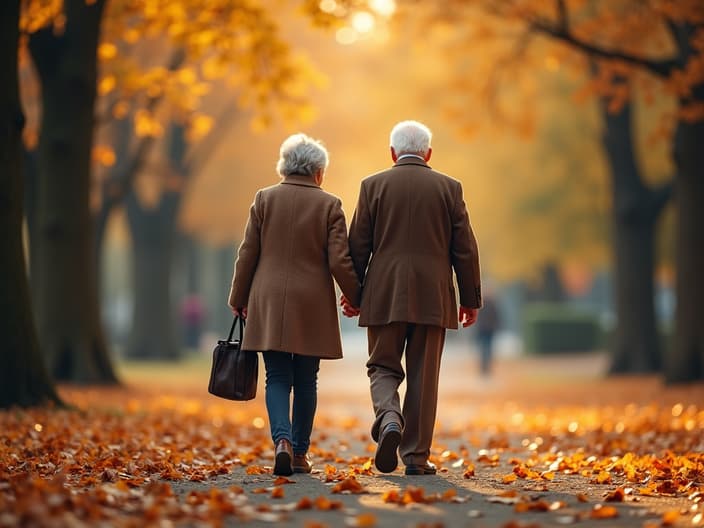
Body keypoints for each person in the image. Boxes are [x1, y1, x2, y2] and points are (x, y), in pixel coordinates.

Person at [342, 120, 481, 475]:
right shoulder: (450, 188)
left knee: (382, 365)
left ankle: (389, 417)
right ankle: (416, 458)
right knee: (424, 376)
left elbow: (358, 246)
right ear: (428, 153)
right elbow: (464, 248)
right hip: (433, 295)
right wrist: (470, 299)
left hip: (384, 293)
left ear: (392, 153)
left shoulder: (372, 186)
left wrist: (353, 295)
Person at [228, 133, 361, 476]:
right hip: (311, 302)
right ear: (318, 172)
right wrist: (357, 297)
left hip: (268, 298)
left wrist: (238, 298)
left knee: (276, 376)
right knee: (306, 380)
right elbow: (339, 261)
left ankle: (282, 442)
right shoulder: (330, 205)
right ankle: (300, 453)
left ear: (285, 167)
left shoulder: (264, 199)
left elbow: (248, 254)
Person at [476, 292, 500, 376]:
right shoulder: (492, 304)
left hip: (484, 329)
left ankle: (484, 367)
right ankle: (486, 367)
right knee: (488, 348)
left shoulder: (482, 304)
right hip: (488, 329)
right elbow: (496, 317)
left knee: (484, 348)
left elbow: (478, 317)